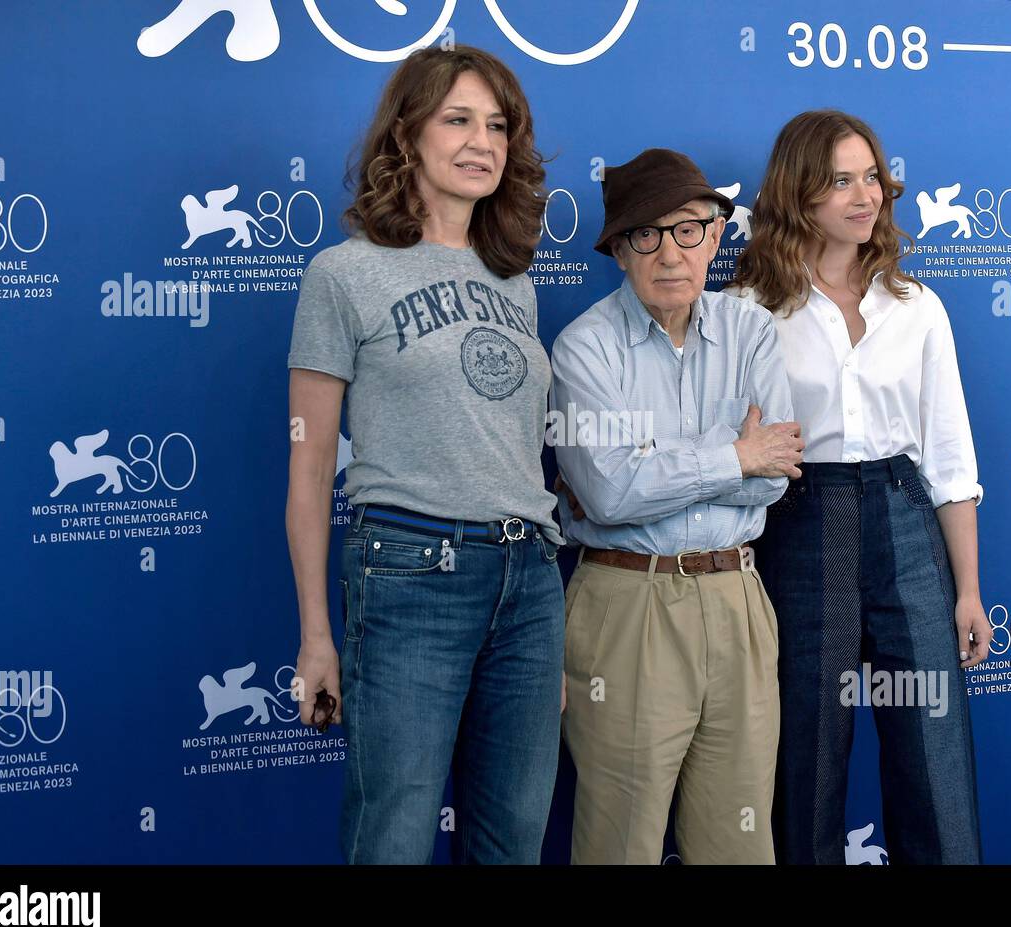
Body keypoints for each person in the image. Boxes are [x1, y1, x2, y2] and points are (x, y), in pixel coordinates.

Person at [284, 46, 565, 864]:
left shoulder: (516, 278)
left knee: (511, 841)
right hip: (410, 574)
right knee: (394, 839)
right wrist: (316, 634)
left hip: (529, 584)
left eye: (498, 125)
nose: (483, 141)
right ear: (407, 133)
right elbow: (307, 471)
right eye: (458, 119)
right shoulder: (343, 275)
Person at [731, 110, 993, 864]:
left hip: (906, 522)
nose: (863, 194)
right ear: (798, 192)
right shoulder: (751, 308)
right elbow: (740, 446)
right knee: (806, 756)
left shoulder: (917, 307)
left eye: (871, 176)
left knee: (934, 751)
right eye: (839, 179)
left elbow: (949, 458)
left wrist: (967, 589)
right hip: (803, 522)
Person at [549, 148, 803, 864]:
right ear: (619, 250)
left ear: (717, 235)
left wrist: (673, 467)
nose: (670, 252)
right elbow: (605, 490)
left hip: (737, 597)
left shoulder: (750, 331)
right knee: (618, 844)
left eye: (689, 229)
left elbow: (775, 474)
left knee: (740, 844)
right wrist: (733, 454)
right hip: (628, 601)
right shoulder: (584, 349)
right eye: (646, 234)